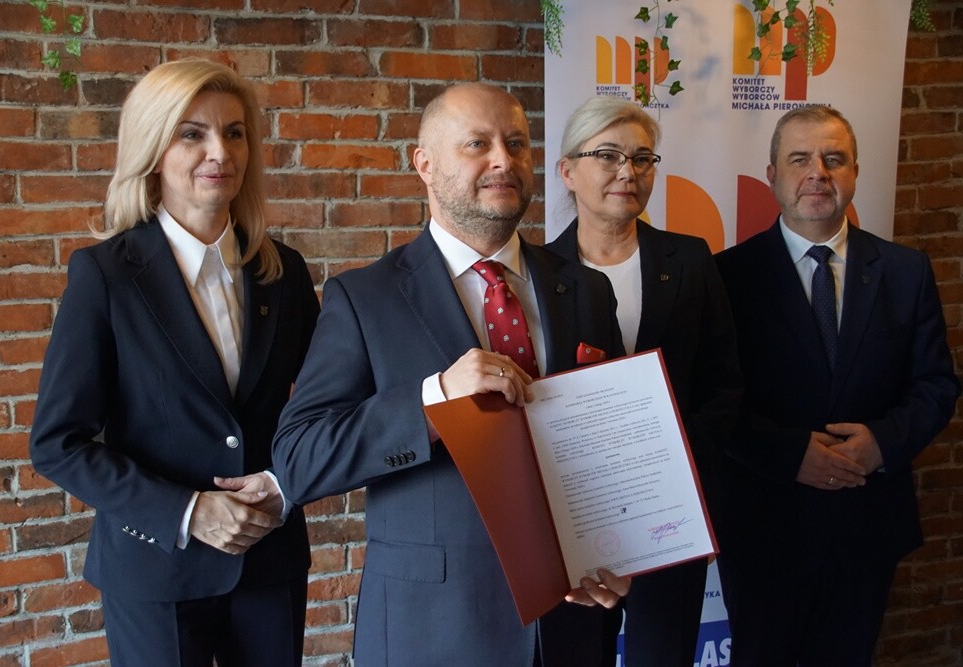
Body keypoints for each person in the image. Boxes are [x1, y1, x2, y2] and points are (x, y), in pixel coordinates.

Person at [272, 83, 626, 666]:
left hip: (572, 626)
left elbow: (611, 446)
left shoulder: (586, 289)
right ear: (425, 165)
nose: (503, 160)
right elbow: (298, 459)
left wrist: (619, 553)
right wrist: (433, 401)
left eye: (517, 143)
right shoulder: (364, 299)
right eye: (477, 144)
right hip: (433, 630)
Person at [29, 59, 320, 666]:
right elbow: (58, 443)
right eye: (193, 134)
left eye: (234, 133)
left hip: (268, 563)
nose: (220, 152)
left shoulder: (283, 272)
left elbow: (325, 407)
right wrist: (186, 511)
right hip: (154, 571)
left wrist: (284, 485)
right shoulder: (105, 276)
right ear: (153, 150)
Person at [714, 105, 960, 666]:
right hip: (764, 526)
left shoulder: (906, 271)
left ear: (854, 172)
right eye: (799, 159)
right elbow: (713, 400)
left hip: (866, 523)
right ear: (772, 175)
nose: (817, 173)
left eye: (833, 159)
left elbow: (936, 384)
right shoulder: (726, 277)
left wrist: (882, 444)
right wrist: (788, 454)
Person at [547, 95, 743, 666]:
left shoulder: (691, 260)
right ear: (568, 171)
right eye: (607, 155)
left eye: (642, 158)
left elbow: (724, 385)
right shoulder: (537, 272)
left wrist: (676, 465)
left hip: (670, 514)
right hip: (579, 519)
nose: (627, 172)